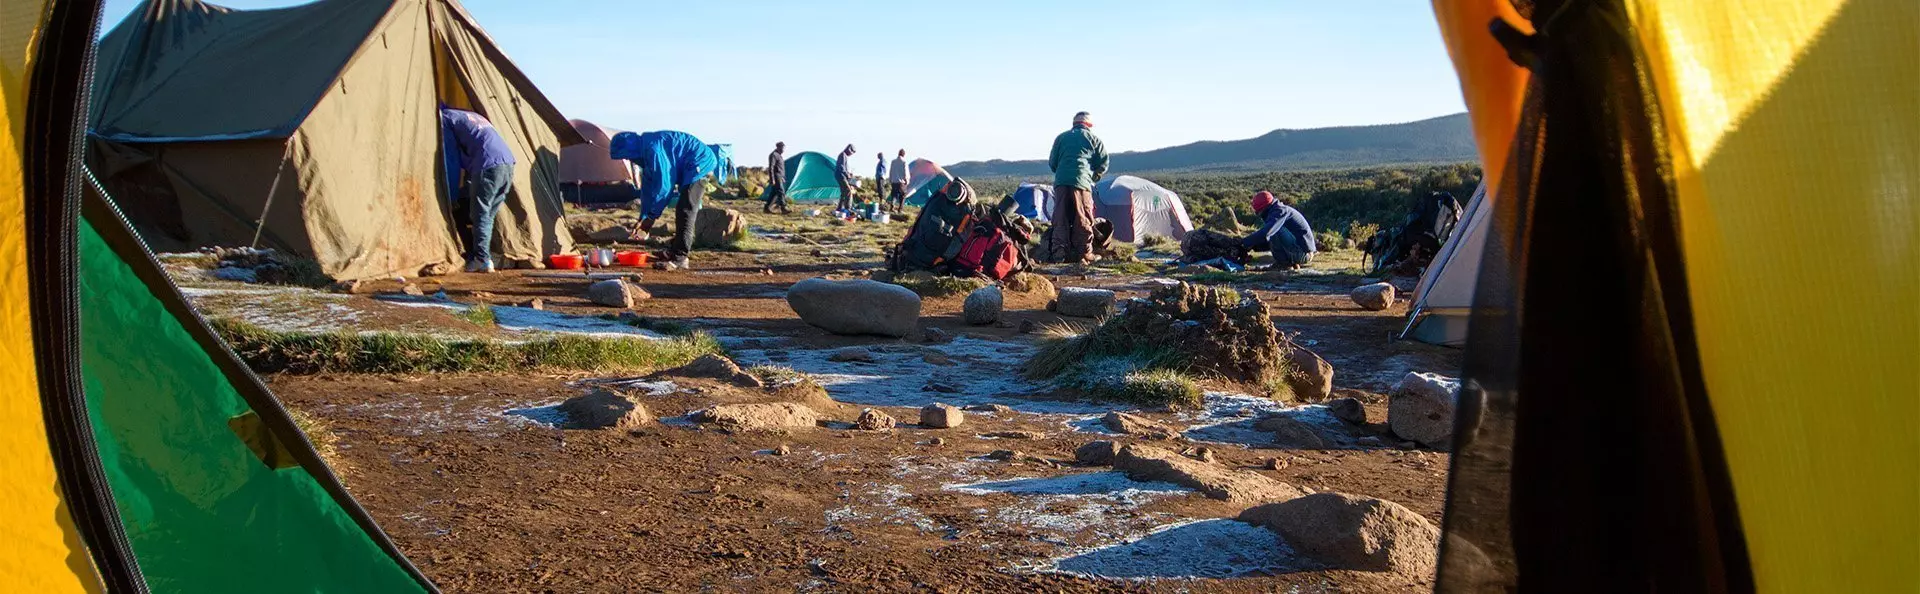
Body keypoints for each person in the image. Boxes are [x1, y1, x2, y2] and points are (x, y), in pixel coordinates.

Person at [609, 130, 718, 270]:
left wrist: (651, 218)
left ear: (631, 149)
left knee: (685, 209)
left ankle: (680, 258)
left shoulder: (653, 150)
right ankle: (673, 251)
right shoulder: (645, 153)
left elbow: (664, 187)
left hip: (700, 161)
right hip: (689, 163)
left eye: (627, 156)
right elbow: (648, 190)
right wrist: (643, 216)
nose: (629, 160)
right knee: (682, 208)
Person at [439, 106, 517, 273]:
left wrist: (451, 197)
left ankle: (481, 259)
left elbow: (451, 159)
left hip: (487, 166)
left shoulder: (445, 119)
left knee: (480, 215)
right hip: (508, 164)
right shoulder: (470, 116)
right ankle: (484, 256)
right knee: (487, 216)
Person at [1046, 111, 1109, 265]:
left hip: (1061, 182)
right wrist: (1093, 177)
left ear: (1074, 123)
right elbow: (1103, 163)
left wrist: (1063, 173)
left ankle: (1059, 254)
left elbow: (1053, 162)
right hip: (1081, 183)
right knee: (1083, 217)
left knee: (1060, 217)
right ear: (1089, 125)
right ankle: (1084, 254)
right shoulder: (1093, 139)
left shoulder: (1061, 138)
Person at [1242, 191, 1318, 269]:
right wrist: (1252, 246)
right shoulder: (1278, 211)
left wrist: (1243, 242)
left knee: (1274, 229)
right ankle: (1289, 264)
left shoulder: (1280, 212)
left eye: (1259, 212)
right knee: (1272, 230)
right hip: (1301, 251)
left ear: (1264, 208)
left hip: (1303, 254)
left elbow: (1267, 233)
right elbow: (1272, 242)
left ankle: (1283, 264)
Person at [763, 141, 789, 214]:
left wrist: (783, 177)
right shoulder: (773, 155)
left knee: (774, 194)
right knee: (781, 192)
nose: (783, 150)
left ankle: (767, 208)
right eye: (782, 148)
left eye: (784, 148)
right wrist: (772, 179)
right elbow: (771, 167)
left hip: (780, 176)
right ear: (778, 147)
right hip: (776, 176)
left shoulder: (779, 155)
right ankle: (783, 207)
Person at [835, 144, 857, 213]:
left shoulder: (845, 156)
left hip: (842, 175)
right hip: (841, 176)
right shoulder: (842, 155)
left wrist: (849, 173)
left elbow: (845, 168)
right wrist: (847, 175)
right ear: (849, 150)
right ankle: (848, 208)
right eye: (852, 152)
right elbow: (841, 167)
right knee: (848, 190)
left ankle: (839, 208)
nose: (851, 154)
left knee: (843, 192)